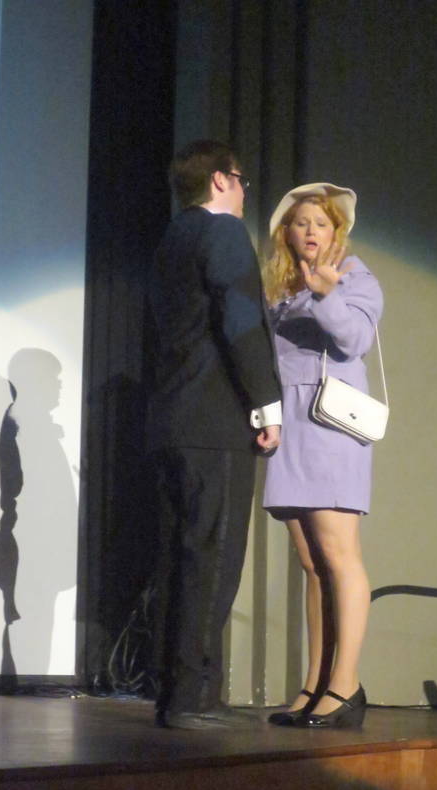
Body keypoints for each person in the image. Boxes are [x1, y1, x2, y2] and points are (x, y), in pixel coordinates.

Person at [144, 140, 282, 730]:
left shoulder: (172, 238)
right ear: (222, 180)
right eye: (242, 180)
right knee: (213, 558)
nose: (245, 191)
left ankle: (177, 690)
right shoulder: (222, 232)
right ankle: (192, 697)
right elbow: (240, 320)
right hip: (213, 420)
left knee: (181, 559)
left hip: (171, 419)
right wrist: (267, 403)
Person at [262, 183, 384, 729]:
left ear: (337, 232)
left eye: (321, 223)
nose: (310, 231)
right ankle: (315, 684)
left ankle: (346, 685)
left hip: (330, 424)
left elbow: (355, 341)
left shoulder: (354, 277)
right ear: (286, 233)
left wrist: (328, 294)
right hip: (290, 426)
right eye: (301, 223)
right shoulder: (280, 287)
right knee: (312, 564)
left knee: (339, 557)